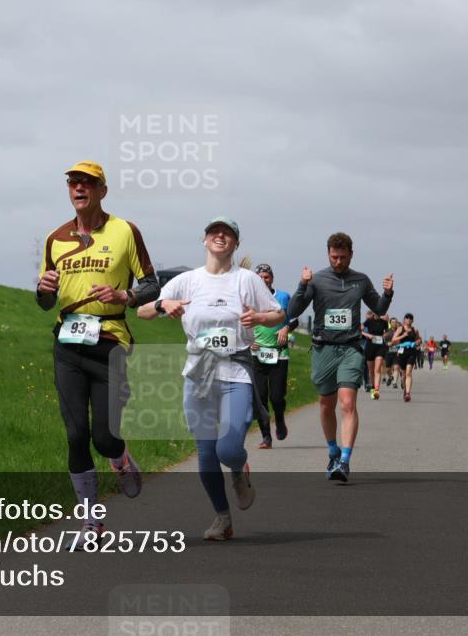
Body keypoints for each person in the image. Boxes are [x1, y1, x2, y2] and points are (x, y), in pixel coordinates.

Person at [138, 217, 284, 540]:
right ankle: (222, 518)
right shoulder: (188, 280)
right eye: (215, 232)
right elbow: (143, 311)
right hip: (199, 374)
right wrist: (164, 304)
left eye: (228, 234)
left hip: (236, 372)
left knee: (228, 449)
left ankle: (238, 470)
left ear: (235, 244)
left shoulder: (246, 280)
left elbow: (279, 314)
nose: (221, 236)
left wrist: (260, 317)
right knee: (205, 456)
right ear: (205, 240)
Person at [37, 161, 160, 540]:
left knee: (104, 438)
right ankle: (92, 522)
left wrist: (126, 295)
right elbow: (44, 301)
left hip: (110, 342)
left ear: (102, 191)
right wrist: (43, 289)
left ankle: (119, 458)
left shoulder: (125, 231)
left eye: (88, 183)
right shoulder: (55, 238)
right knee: (76, 435)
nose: (79, 188)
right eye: (73, 182)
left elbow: (152, 284)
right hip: (68, 344)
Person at [287, 232, 393, 482]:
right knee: (326, 404)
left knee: (347, 403)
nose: (338, 262)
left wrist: (388, 294)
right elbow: (293, 311)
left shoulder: (361, 280)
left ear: (351, 255)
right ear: (328, 254)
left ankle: (344, 461)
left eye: (343, 257)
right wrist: (303, 285)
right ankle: (333, 450)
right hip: (323, 348)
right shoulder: (317, 280)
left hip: (350, 348)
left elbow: (378, 308)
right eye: (334, 257)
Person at [250, 263, 297, 448]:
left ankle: (279, 419)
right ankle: (266, 437)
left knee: (277, 397)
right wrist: (247, 340)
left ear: (272, 278)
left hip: (279, 353)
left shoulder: (283, 297)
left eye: (266, 277)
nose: (263, 280)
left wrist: (286, 327)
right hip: (257, 353)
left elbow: (294, 320)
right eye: (259, 277)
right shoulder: (248, 298)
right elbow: (240, 322)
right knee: (260, 397)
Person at [390, 313, 421, 402]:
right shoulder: (400, 329)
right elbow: (393, 339)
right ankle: (405, 390)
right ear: (404, 320)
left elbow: (419, 339)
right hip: (402, 352)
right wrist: (403, 336)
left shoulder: (415, 330)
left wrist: (417, 342)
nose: (408, 319)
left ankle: (408, 393)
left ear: (412, 320)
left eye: (410, 318)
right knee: (404, 375)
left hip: (411, 352)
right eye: (407, 318)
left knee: (408, 373)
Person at [361, 311, 389, 400]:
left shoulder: (384, 322)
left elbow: (388, 331)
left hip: (380, 346)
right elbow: (360, 330)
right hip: (370, 346)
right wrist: (368, 335)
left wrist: (385, 335)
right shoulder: (368, 321)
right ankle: (373, 388)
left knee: (377, 369)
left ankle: (376, 391)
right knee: (371, 370)